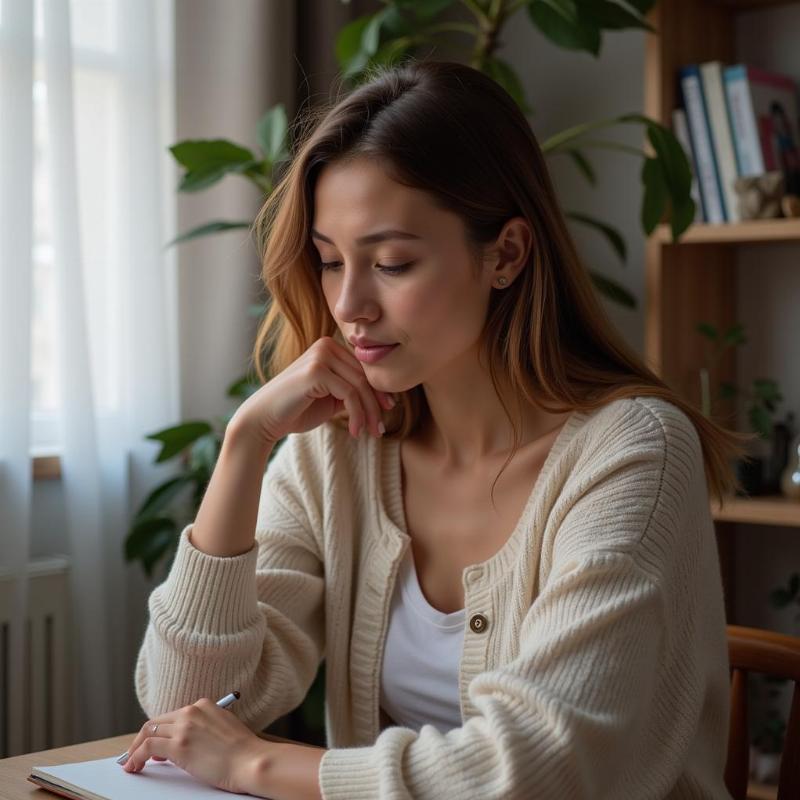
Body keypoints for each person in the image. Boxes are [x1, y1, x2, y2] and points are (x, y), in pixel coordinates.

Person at [123, 60, 748, 799]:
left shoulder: (633, 453)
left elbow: (542, 766)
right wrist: (245, 446)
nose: (349, 303)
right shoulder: (338, 448)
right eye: (329, 261)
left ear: (506, 254)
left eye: (391, 262)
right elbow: (182, 706)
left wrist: (256, 763)